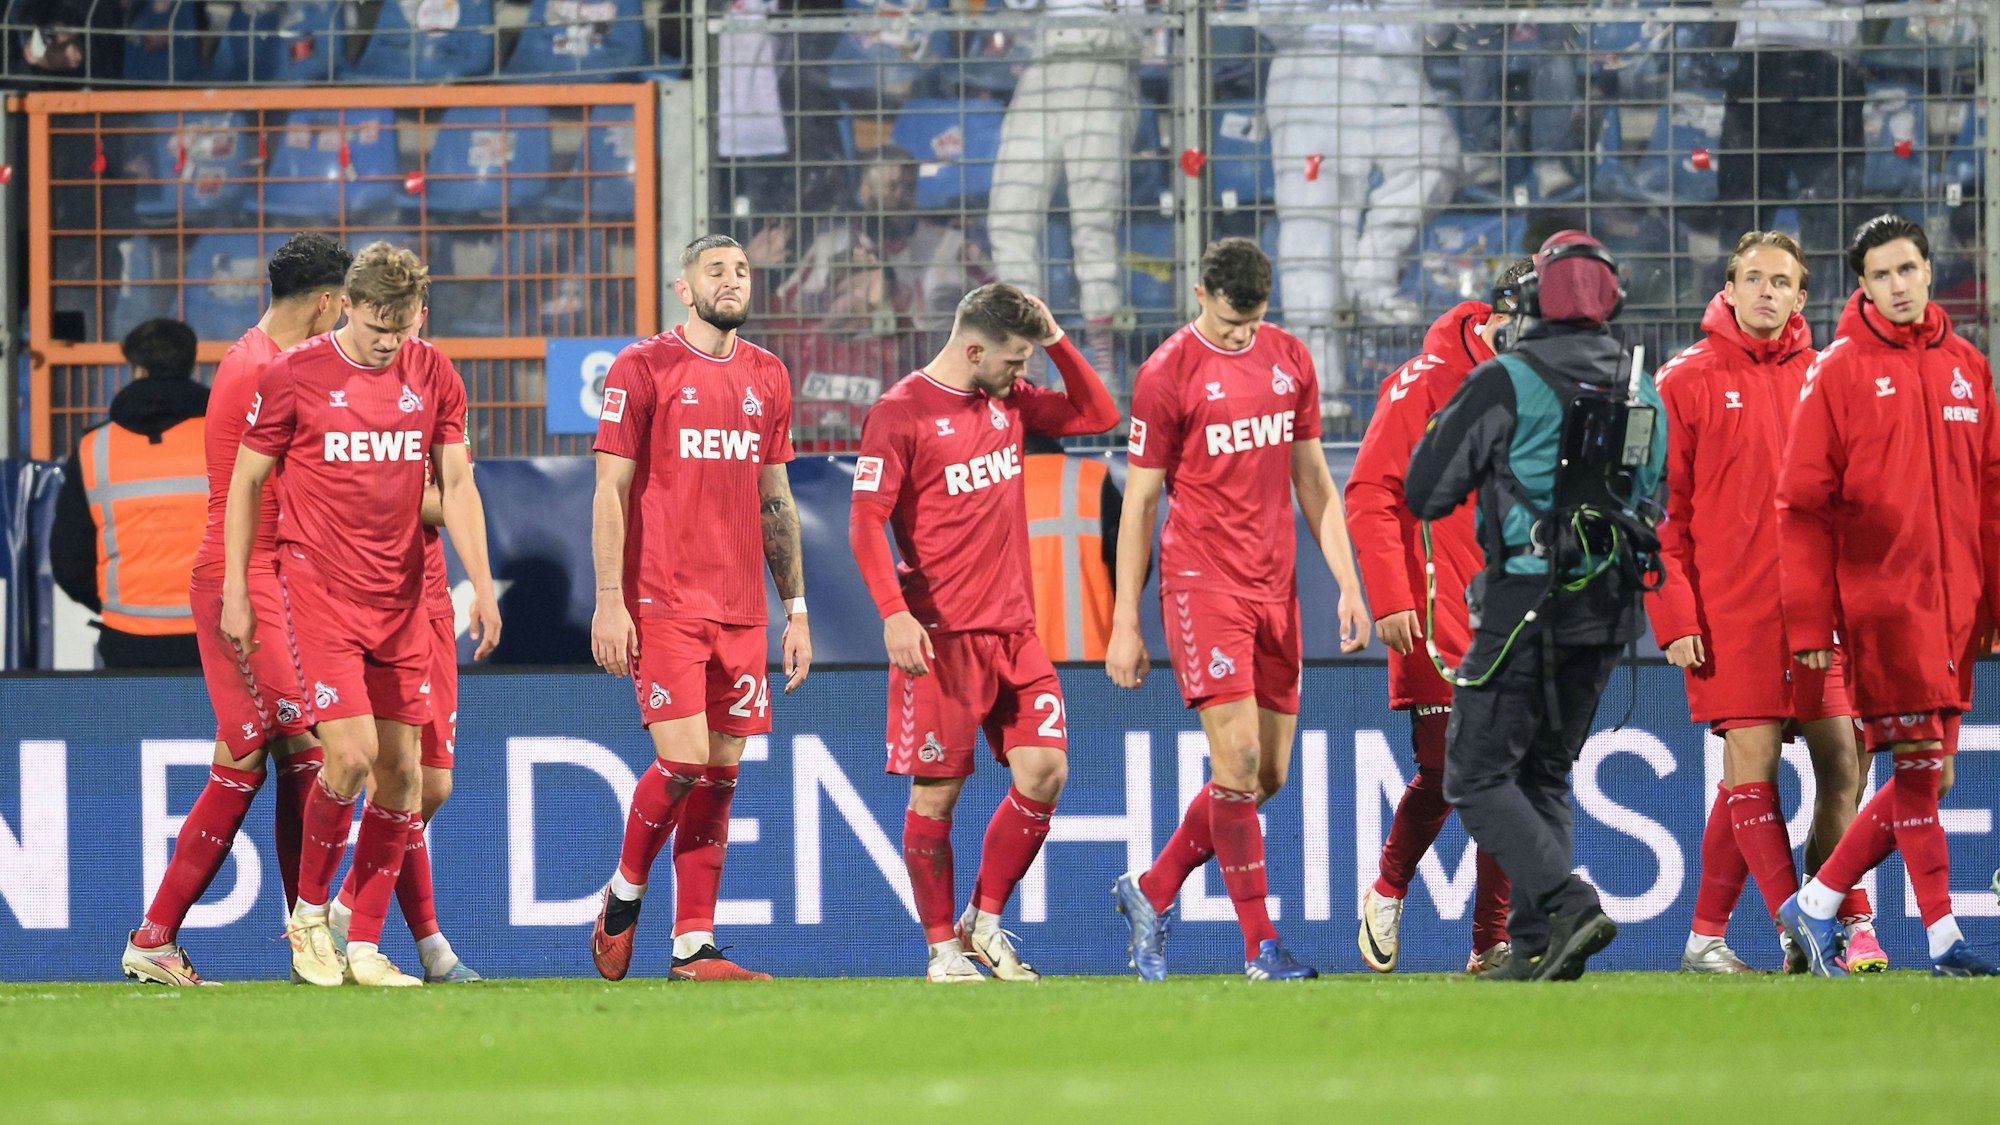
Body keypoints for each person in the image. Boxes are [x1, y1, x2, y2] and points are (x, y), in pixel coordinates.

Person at [222, 243, 502, 988]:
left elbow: (457, 484)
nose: (388, 341)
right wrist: (236, 589)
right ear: (347, 306)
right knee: (348, 758)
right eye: (378, 326)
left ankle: (366, 944)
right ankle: (309, 916)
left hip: (403, 599)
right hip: (321, 592)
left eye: (402, 327)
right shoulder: (293, 374)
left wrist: (482, 583)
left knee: (405, 777)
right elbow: (248, 480)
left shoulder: (434, 373)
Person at [1405, 230, 1667, 983]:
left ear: (1534, 300)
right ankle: (1533, 948)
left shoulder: (1505, 379)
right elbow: (1656, 490)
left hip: (1524, 596)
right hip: (1611, 606)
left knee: (1474, 775)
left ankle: (1567, 904)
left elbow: (1426, 491)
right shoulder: (1642, 385)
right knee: (1545, 772)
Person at [1106, 237, 1370, 982]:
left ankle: (1153, 888)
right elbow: (1140, 503)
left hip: (1275, 586)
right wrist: (1125, 619)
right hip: (1202, 582)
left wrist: (1348, 583)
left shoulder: (1289, 358)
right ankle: (1261, 945)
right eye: (1227, 322)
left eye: (1250, 322)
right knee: (1240, 756)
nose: (1237, 334)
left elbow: (1313, 478)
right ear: (1200, 295)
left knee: (1264, 776)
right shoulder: (1166, 373)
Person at [848, 284, 1117, 983]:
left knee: (1046, 770)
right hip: (942, 637)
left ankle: (984, 922)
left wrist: (1055, 337)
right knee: (935, 798)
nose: (1023, 373)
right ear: (972, 350)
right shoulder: (900, 412)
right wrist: (894, 613)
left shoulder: (1009, 400)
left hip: (1016, 631)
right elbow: (865, 521)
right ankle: (943, 951)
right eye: (1014, 359)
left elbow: (1099, 413)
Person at [1646, 230, 1883, 975]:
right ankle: (1802, 936)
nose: (1766, 292)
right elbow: (1659, 516)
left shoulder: (1826, 376)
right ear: (1728, 288)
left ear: (1801, 297)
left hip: (1817, 615)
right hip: (1731, 613)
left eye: (1781, 282)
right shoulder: (1683, 379)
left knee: (1845, 763)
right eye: (1752, 279)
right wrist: (1674, 615)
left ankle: (1715, 936)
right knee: (1752, 767)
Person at [118, 236, 348, 986]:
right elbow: (253, 489)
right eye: (345, 304)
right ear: (326, 301)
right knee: (308, 747)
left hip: (257, 576)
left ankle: (159, 937)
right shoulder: (261, 370)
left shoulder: (259, 358)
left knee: (258, 752)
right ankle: (309, 936)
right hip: (245, 578)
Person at [1776, 214, 2000, 978]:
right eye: (1881, 275)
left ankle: (1816, 902)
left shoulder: (1969, 367)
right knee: (1916, 763)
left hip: (1955, 611)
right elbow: (1801, 507)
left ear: (1930, 270)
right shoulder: (1838, 371)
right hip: (1886, 606)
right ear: (1863, 286)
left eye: (1908, 269)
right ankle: (1942, 939)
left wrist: (1993, 603)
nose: (1898, 285)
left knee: (1928, 775)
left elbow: (1991, 499)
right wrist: (1811, 621)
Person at [588, 234, 811, 983]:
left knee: (720, 772)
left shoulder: (768, 375)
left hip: (742, 606)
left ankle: (694, 945)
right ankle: (624, 894)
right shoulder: (642, 366)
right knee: (682, 761)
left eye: (742, 270)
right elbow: (610, 489)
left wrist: (796, 608)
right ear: (684, 289)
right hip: (663, 597)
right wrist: (610, 600)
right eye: (716, 270)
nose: (732, 280)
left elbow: (775, 498)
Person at [1343, 258, 1533, 976]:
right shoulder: (1425, 380)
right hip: (1431, 602)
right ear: (1502, 314)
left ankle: (1490, 942)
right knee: (1448, 765)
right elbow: (1369, 490)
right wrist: (1389, 595)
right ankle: (1389, 887)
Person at [1257, 0, 1460, 420]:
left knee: (1434, 157)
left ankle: (1372, 274)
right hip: (1311, 60)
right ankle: (1319, 393)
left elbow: (1440, 20)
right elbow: (1270, 15)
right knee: (1313, 225)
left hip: (1391, 56)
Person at [327, 444, 483, 983]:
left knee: (433, 785)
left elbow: (454, 495)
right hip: (372, 604)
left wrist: (403, 493)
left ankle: (342, 913)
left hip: (433, 601)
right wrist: (422, 496)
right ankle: (426, 945)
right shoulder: (350, 408)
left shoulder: (442, 404)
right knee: (397, 778)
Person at [986, 0, 1144, 381]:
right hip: (1045, 58)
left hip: (1106, 54)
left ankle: (1104, 371)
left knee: (1094, 220)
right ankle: (1027, 366)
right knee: (1009, 216)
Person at [51, 318, 207, 670]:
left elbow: (69, 563)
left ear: (136, 369)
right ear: (190, 364)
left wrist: (118, 606)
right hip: (219, 636)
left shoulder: (94, 449)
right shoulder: (227, 438)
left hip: (129, 640)